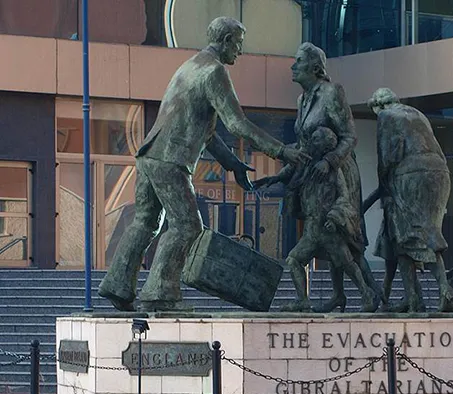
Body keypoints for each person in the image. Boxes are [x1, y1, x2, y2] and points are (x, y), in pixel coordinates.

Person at [98, 16, 308, 313]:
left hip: (149, 155)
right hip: (171, 159)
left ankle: (117, 285)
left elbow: (206, 132)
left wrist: (233, 164)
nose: (239, 51)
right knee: (187, 226)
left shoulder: (190, 66)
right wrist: (282, 151)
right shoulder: (214, 71)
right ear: (225, 42)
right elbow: (237, 124)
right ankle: (159, 293)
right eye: (238, 44)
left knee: (146, 222)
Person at [256, 42, 380, 313]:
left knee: (346, 239)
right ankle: (346, 295)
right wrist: (276, 178)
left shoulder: (332, 92)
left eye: (298, 61)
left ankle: (371, 293)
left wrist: (330, 160)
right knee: (332, 242)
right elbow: (304, 147)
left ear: (314, 67)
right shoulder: (302, 100)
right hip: (312, 174)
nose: (292, 66)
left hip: (338, 171)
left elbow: (349, 136)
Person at [263, 127, 379, 312]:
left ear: (325, 147)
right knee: (294, 260)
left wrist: (334, 218)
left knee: (347, 263)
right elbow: (292, 167)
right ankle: (303, 300)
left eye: (316, 140)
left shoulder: (333, 170)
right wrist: (274, 178)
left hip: (328, 228)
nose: (311, 142)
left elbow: (343, 196)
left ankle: (367, 294)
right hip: (311, 228)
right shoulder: (306, 164)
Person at [363, 88, 453, 312]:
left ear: (378, 106)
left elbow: (387, 155)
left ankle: (425, 295)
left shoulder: (386, 116)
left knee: (407, 236)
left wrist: (383, 185)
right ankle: (434, 291)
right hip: (439, 173)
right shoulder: (416, 113)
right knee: (429, 231)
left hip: (410, 174)